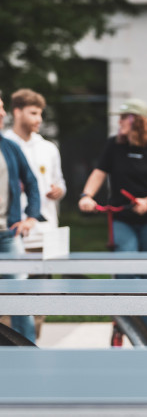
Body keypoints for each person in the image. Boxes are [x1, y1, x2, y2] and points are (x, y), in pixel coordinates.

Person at [78, 98, 147, 338]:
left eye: (124, 117)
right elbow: (99, 173)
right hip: (122, 219)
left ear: (138, 121)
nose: (119, 122)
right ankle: (127, 329)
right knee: (125, 271)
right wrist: (86, 195)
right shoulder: (114, 145)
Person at [3, 88, 66, 340]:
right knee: (13, 292)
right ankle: (10, 344)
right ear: (17, 112)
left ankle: (30, 343)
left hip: (44, 230)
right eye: (33, 113)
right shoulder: (7, 144)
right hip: (14, 230)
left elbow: (58, 182)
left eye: (40, 113)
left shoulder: (48, 148)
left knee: (38, 292)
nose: (39, 119)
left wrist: (58, 190)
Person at [0, 94, 41, 343]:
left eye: (3, 108)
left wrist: (31, 217)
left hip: (8, 235)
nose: (2, 114)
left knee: (20, 299)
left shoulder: (9, 147)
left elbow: (32, 183)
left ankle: (28, 355)